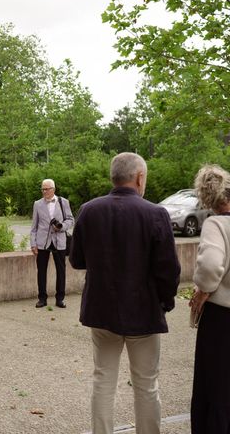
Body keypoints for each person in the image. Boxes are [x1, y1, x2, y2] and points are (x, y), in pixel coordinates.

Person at [69, 152, 180, 434]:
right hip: (143, 312)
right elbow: (168, 269)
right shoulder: (155, 214)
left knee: (103, 380)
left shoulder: (89, 210)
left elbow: (77, 260)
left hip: (101, 311)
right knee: (146, 384)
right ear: (140, 178)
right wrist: (165, 303)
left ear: (114, 177)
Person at [189, 164, 230, 432]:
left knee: (216, 387)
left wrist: (203, 290)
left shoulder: (217, 223)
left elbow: (211, 264)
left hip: (222, 319)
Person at [30, 179, 74, 308]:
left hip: (59, 241)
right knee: (41, 271)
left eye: (47, 189)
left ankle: (60, 298)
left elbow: (71, 220)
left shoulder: (63, 202)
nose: (44, 191)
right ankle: (42, 298)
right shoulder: (37, 204)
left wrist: (61, 227)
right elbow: (34, 226)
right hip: (42, 241)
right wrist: (33, 244)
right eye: (43, 189)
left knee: (61, 271)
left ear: (53, 189)